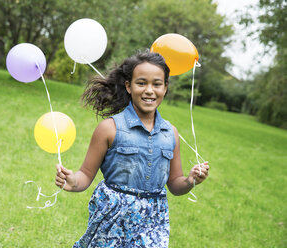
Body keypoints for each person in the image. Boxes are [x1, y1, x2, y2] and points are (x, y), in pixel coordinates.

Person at [55, 50, 209, 247]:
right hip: (112, 218)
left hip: (153, 221)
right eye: (141, 83)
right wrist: (72, 181)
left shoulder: (170, 133)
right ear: (129, 86)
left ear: (165, 88)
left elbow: (175, 185)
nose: (149, 90)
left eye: (157, 84)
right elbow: (85, 174)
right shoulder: (109, 128)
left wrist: (190, 181)